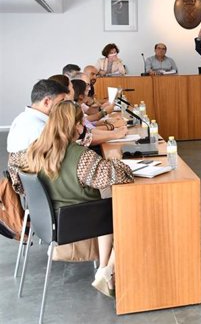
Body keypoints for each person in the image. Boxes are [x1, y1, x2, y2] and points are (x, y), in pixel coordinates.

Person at [11, 101, 134, 298]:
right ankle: (106, 268)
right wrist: (118, 160)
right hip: (80, 221)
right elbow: (118, 175)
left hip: (47, 221)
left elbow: (14, 167)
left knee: (107, 203)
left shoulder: (32, 151)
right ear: (77, 126)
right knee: (127, 210)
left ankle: (104, 268)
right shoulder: (81, 157)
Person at [6, 79, 70, 192]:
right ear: (46, 102)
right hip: (47, 187)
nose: (63, 107)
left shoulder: (21, 118)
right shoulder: (40, 128)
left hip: (33, 188)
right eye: (61, 102)